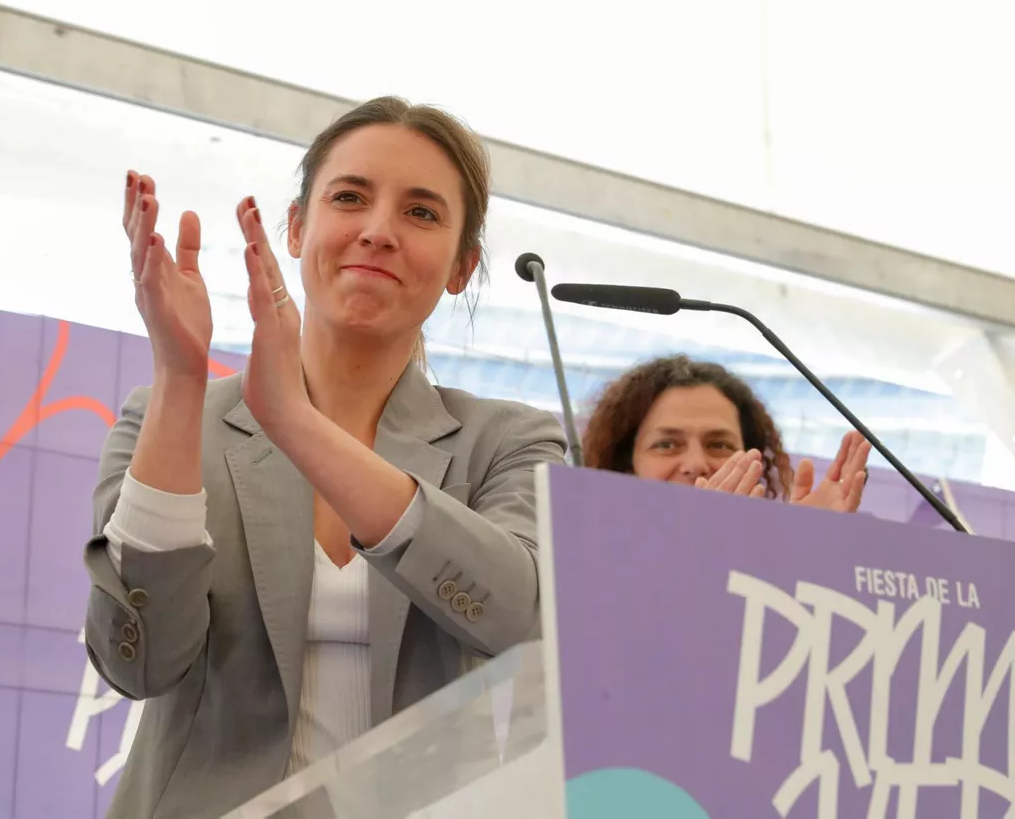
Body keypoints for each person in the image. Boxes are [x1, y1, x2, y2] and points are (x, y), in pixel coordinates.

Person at [83, 96, 568, 818]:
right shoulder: (170, 417)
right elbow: (138, 663)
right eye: (350, 198)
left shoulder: (509, 441)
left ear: (462, 267)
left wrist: (299, 426)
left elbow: (515, 618)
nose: (378, 232)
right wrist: (180, 380)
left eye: (422, 213)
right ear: (297, 226)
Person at [580, 354, 870, 513]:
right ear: (626, 466)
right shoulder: (584, 557)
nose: (696, 464)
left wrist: (807, 548)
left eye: (719, 445)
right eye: (666, 444)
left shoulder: (769, 557)